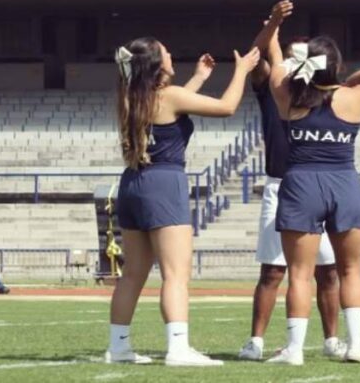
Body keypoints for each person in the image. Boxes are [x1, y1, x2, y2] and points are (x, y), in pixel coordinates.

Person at [238, 2, 360, 362]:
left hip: (301, 184)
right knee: (350, 270)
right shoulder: (355, 97)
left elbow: (270, 52)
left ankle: (294, 350)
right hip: (345, 183)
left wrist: (276, 24)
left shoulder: (287, 94)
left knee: (299, 274)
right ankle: (356, 345)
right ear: (337, 66)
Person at [107, 38, 260, 366]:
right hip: (164, 183)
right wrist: (242, 71)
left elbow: (170, 110)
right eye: (166, 52)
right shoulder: (167, 96)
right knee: (176, 274)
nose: (171, 54)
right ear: (156, 64)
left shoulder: (130, 96)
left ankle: (118, 348)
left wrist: (199, 78)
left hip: (133, 182)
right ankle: (178, 348)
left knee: (132, 274)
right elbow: (226, 107)